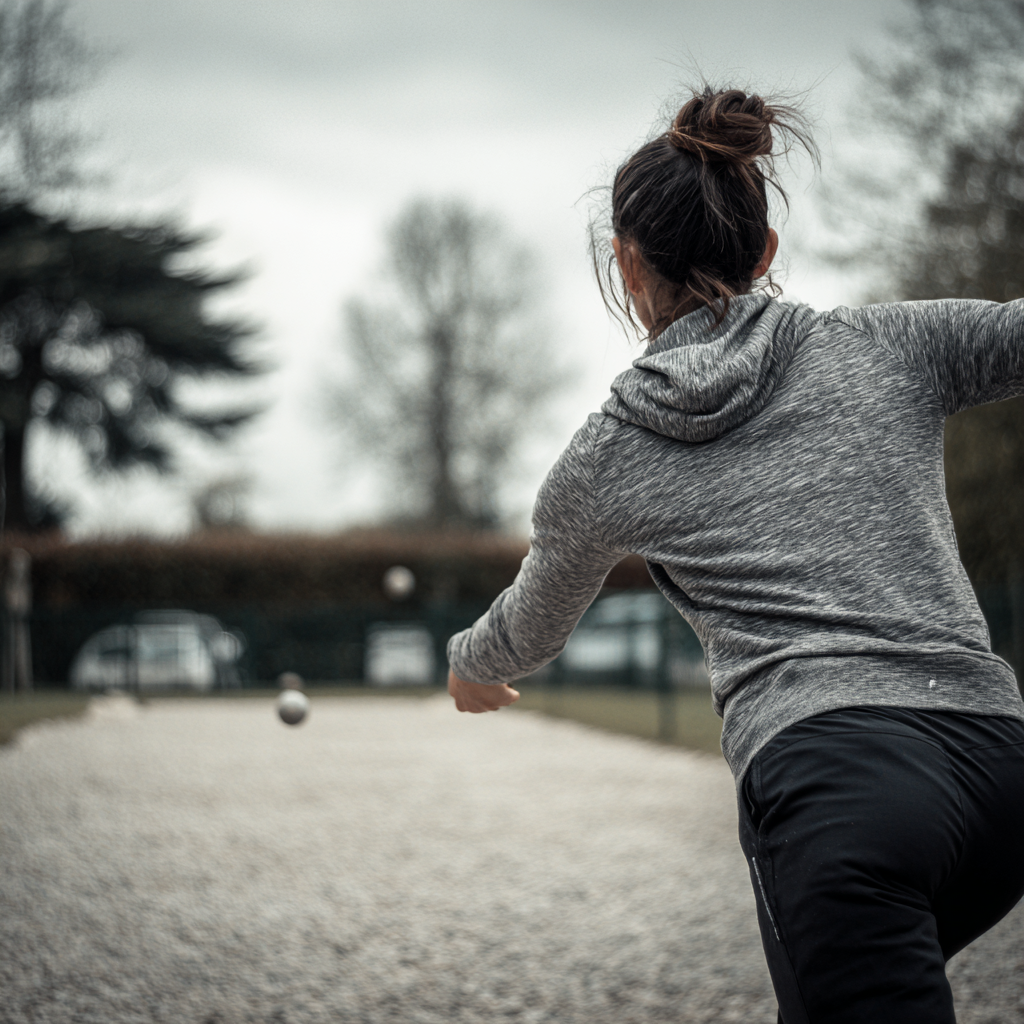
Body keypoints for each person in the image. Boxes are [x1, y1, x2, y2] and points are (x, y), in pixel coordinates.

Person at [445, 86, 1024, 1023]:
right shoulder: (889, 344)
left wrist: (471, 664)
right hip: (999, 768)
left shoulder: (608, 455)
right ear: (765, 253)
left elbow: (531, 625)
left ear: (627, 264)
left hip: (840, 785)